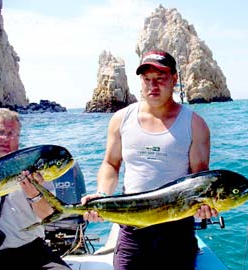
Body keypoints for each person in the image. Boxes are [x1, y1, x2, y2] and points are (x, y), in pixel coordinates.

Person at [82, 49, 218, 270]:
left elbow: (199, 180)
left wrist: (204, 207)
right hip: (132, 229)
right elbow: (110, 164)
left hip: (176, 232)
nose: (153, 86)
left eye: (160, 79)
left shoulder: (195, 125)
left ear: (174, 79)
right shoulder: (120, 119)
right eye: (147, 80)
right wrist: (102, 195)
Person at [0, 108, 71, 270]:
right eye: (1, 132)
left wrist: (34, 194)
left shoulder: (35, 168)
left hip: (29, 249)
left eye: (13, 134)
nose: (7, 139)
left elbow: (48, 215)